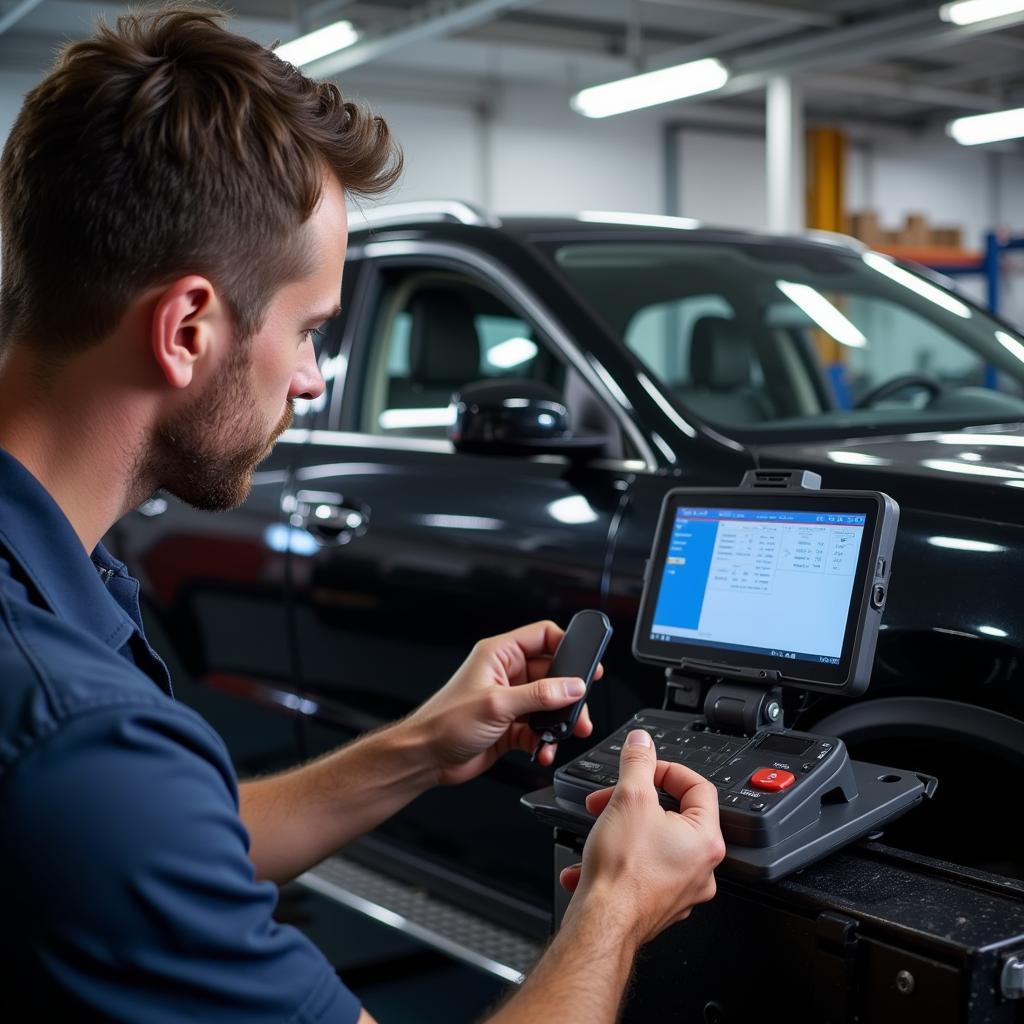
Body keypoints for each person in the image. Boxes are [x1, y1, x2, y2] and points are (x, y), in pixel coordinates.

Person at [0, 6, 725, 1023]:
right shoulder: (73, 733)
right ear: (188, 328)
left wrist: (422, 745)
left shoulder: (57, 603)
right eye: (310, 331)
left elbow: (168, 842)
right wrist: (615, 909)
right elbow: (117, 812)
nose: (308, 381)